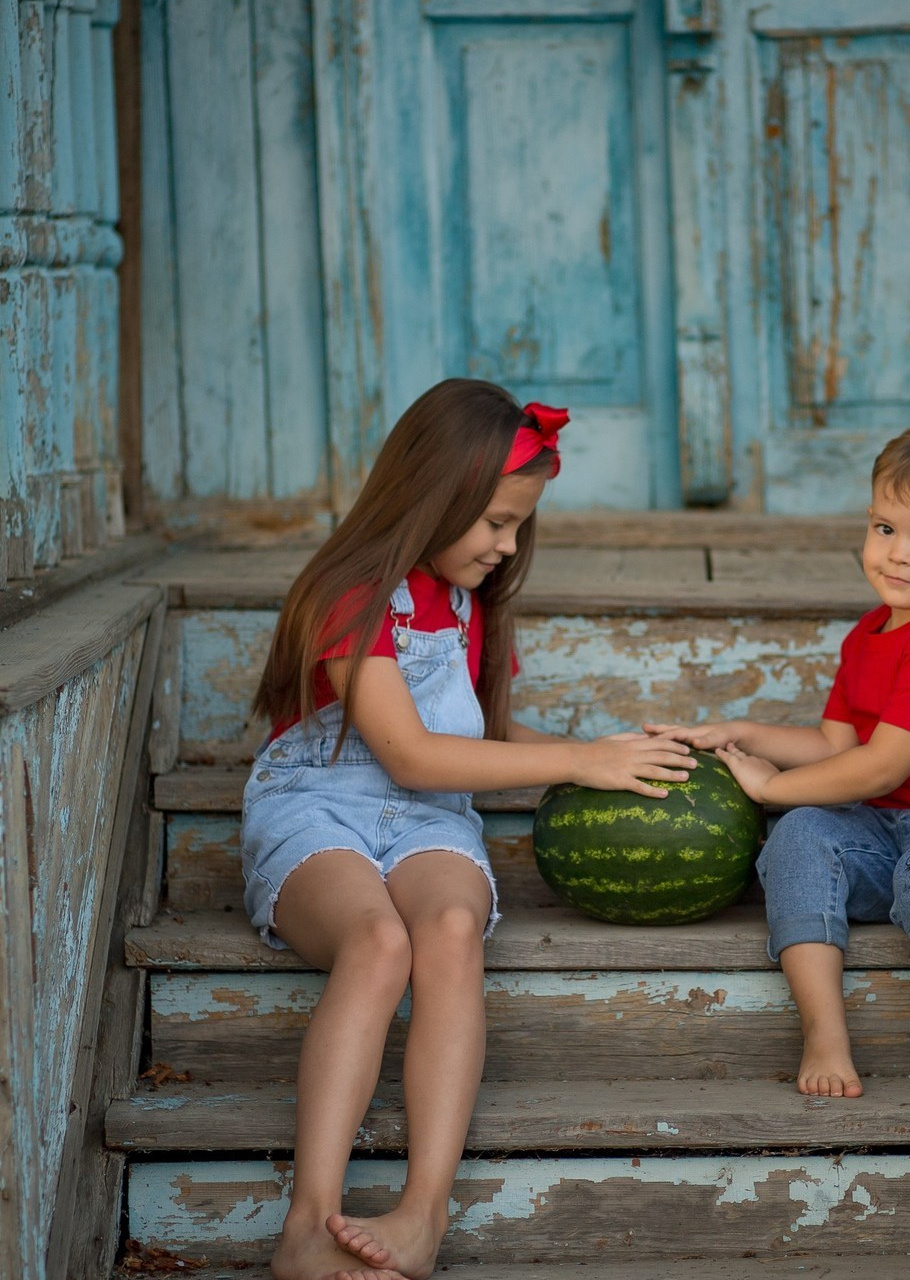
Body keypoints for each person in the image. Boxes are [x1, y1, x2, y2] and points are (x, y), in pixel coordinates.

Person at [242, 378, 694, 1280]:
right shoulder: (351, 593)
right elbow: (407, 751)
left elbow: (476, 737)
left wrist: (606, 753)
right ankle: (308, 1218)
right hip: (317, 803)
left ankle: (424, 1212)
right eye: (493, 521)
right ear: (430, 496)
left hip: (428, 819)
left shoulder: (467, 604)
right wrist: (575, 765)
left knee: (448, 928)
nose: (507, 545)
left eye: (520, 525)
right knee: (377, 942)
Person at [648, 420, 910, 1107]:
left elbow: (877, 770)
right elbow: (838, 748)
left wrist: (771, 785)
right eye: (886, 529)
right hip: (888, 836)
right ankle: (825, 1035)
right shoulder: (868, 635)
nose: (899, 554)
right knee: (802, 833)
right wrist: (743, 733)